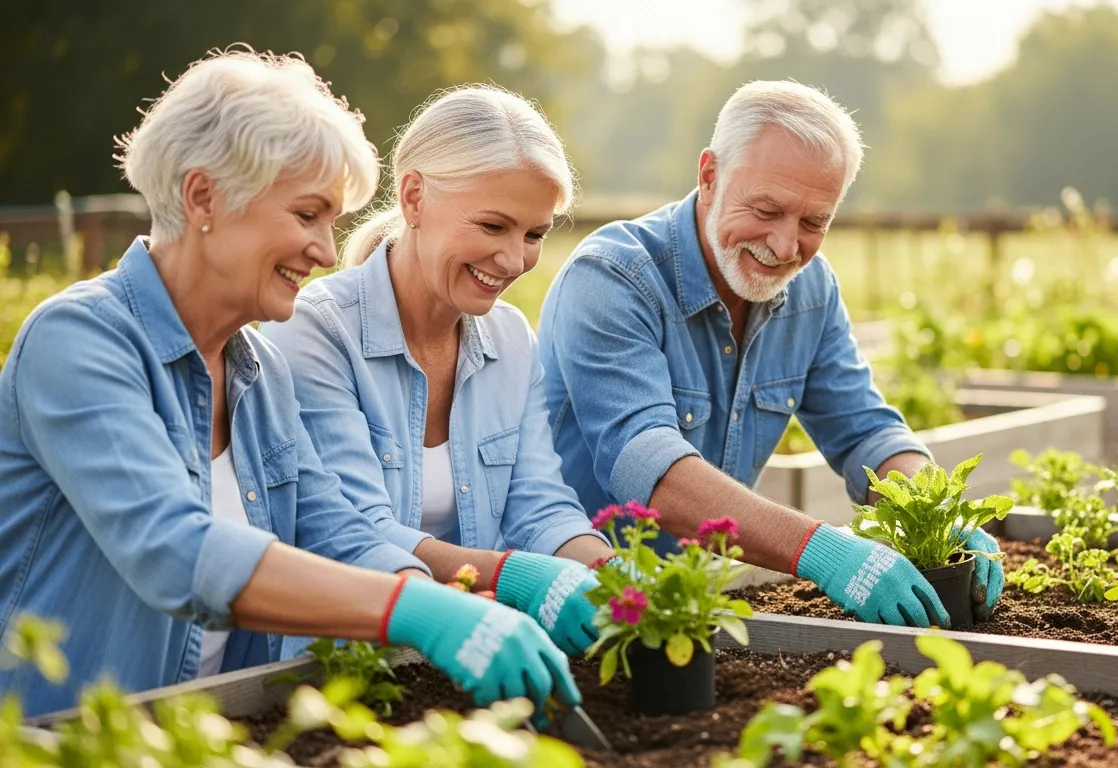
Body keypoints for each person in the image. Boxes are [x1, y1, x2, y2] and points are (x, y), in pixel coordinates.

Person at [0, 50, 577, 717]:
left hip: (209, 729)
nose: (329, 252)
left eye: (333, 222)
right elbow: (173, 549)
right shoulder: (80, 340)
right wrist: (411, 610)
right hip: (67, 737)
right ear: (204, 196)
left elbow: (335, 528)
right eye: (308, 216)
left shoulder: (257, 367)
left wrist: (445, 602)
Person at [538, 81, 1003, 629]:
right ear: (709, 176)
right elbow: (647, 465)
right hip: (573, 604)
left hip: (691, 608)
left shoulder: (812, 290)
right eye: (766, 209)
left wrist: (936, 511)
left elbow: (864, 432)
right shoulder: (614, 278)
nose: (785, 247)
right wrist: (823, 551)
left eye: (814, 223)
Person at [260, 85, 611, 659]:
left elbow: (541, 506)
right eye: (494, 226)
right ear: (415, 197)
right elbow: (356, 529)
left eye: (534, 235)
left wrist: (619, 582)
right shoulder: (316, 332)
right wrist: (518, 576)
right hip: (346, 666)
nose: (514, 259)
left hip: (481, 648)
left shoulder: (511, 341)